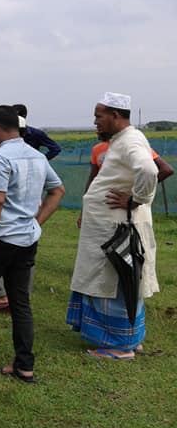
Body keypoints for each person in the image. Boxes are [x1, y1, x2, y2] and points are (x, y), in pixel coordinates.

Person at [67, 93, 159, 359]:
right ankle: (130, 338)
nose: (95, 121)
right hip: (109, 228)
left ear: (115, 115)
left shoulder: (130, 141)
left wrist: (135, 200)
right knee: (117, 282)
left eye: (99, 116)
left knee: (113, 284)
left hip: (116, 231)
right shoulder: (124, 140)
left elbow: (150, 170)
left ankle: (120, 346)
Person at [0, 106, 65, 383]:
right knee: (20, 303)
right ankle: (24, 365)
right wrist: (37, 222)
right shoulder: (37, 156)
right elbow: (57, 190)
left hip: (0, 240)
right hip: (27, 240)